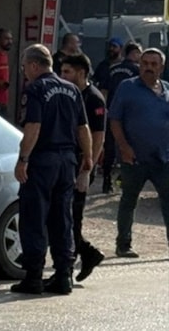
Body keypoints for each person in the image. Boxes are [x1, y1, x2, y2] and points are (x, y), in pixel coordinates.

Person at [11, 44, 93, 295]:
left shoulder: (35, 89)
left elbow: (33, 127)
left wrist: (23, 159)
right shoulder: (72, 89)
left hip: (42, 160)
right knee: (62, 218)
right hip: (67, 161)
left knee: (34, 217)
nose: (24, 72)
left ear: (34, 65)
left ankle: (33, 276)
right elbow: (83, 128)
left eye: (24, 67)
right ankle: (63, 275)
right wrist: (88, 157)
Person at [108, 48, 169, 259]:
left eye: (153, 64)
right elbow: (115, 119)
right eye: (145, 63)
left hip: (163, 158)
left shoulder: (167, 90)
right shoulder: (128, 87)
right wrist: (124, 147)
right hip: (134, 158)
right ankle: (123, 245)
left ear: (162, 67)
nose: (148, 68)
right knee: (129, 201)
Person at [60, 54, 106, 282]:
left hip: (81, 165)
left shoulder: (93, 98)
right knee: (64, 216)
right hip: (67, 162)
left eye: (67, 72)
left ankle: (68, 267)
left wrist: (87, 170)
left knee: (73, 217)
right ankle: (87, 253)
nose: (62, 76)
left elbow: (98, 137)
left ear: (81, 73)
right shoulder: (68, 93)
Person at [100, 42, 142, 194]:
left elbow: (104, 91)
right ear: (134, 53)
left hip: (111, 112)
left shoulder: (113, 68)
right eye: (139, 53)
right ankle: (124, 179)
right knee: (128, 146)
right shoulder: (137, 70)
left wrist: (104, 110)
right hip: (129, 115)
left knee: (110, 148)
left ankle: (106, 181)